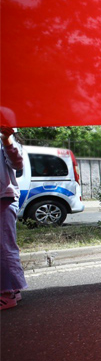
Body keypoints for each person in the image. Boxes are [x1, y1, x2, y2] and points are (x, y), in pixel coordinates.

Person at [1, 127, 26, 309]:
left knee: (4, 246)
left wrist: (6, 139)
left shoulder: (7, 139)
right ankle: (13, 289)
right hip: (5, 195)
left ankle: (7, 293)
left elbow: (18, 164)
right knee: (5, 245)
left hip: (4, 197)